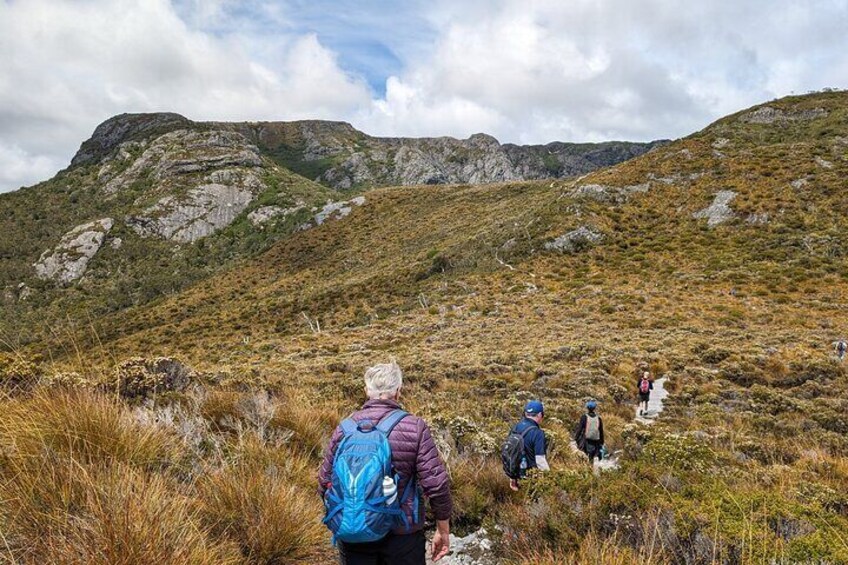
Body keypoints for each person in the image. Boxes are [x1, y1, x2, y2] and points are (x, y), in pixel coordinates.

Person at [318, 360, 453, 564]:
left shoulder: (345, 428)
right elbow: (436, 484)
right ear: (398, 391)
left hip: (355, 533)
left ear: (366, 391)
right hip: (403, 536)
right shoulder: (414, 427)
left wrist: (349, 515)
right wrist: (443, 529)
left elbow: (324, 482)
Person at [505, 400, 550, 491]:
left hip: (516, 475)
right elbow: (540, 460)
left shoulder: (515, 427)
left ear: (525, 413)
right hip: (531, 478)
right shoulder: (538, 433)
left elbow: (511, 451)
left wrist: (512, 477)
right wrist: (549, 478)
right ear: (540, 415)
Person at [573, 400, 605, 466]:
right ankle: (591, 469)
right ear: (594, 408)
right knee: (591, 457)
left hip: (586, 440)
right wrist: (601, 442)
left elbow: (580, 429)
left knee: (585, 455)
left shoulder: (584, 417)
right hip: (596, 441)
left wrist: (576, 438)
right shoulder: (598, 418)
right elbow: (601, 431)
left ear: (587, 408)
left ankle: (585, 469)